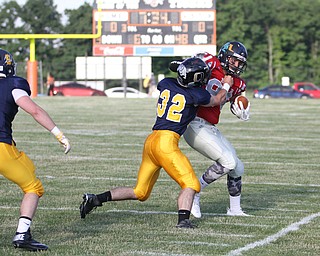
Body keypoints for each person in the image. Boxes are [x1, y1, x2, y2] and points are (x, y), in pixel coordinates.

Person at [79, 57, 230, 228]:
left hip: (151, 142)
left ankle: (96, 199)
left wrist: (183, 66)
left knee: (140, 192)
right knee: (191, 184)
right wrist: (226, 85)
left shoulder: (166, 83)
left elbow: (175, 70)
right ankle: (183, 222)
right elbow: (218, 100)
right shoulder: (197, 94)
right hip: (167, 144)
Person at [0, 49, 71, 251]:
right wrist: (59, 134)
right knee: (33, 187)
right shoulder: (13, 85)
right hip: (1, 148)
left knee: (27, 165)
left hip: (8, 147)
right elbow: (35, 111)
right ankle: (22, 234)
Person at [170, 41, 251, 218]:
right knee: (229, 162)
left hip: (209, 126)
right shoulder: (210, 62)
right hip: (193, 122)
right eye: (234, 60)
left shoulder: (238, 82)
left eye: (239, 63)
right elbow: (188, 68)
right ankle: (195, 192)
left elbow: (236, 102)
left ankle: (235, 209)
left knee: (238, 167)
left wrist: (242, 111)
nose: (236, 66)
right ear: (224, 56)